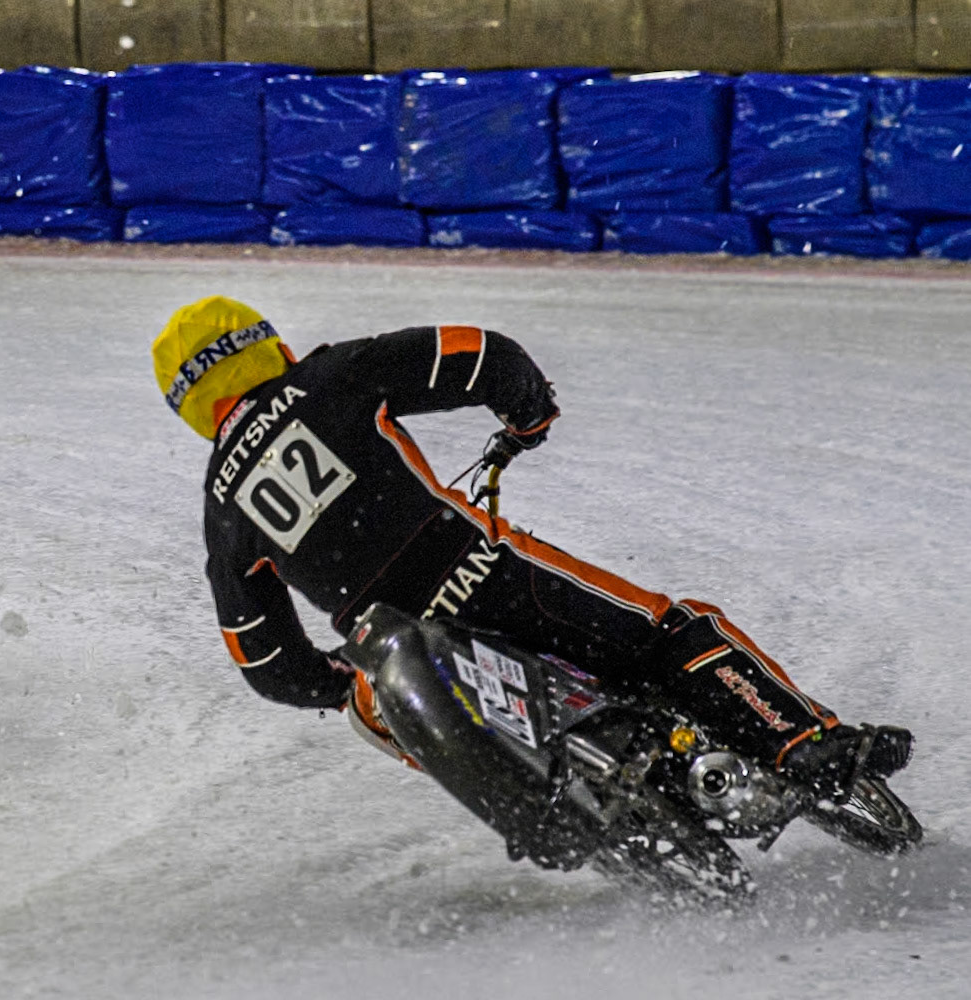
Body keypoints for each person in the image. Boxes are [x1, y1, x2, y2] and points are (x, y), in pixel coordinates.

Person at [151, 295, 911, 801]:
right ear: (266, 344)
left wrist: (335, 680)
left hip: (391, 655)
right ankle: (802, 742)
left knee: (389, 716)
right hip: (481, 574)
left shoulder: (221, 507)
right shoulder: (332, 375)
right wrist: (528, 417)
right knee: (665, 631)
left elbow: (263, 659)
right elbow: (481, 355)